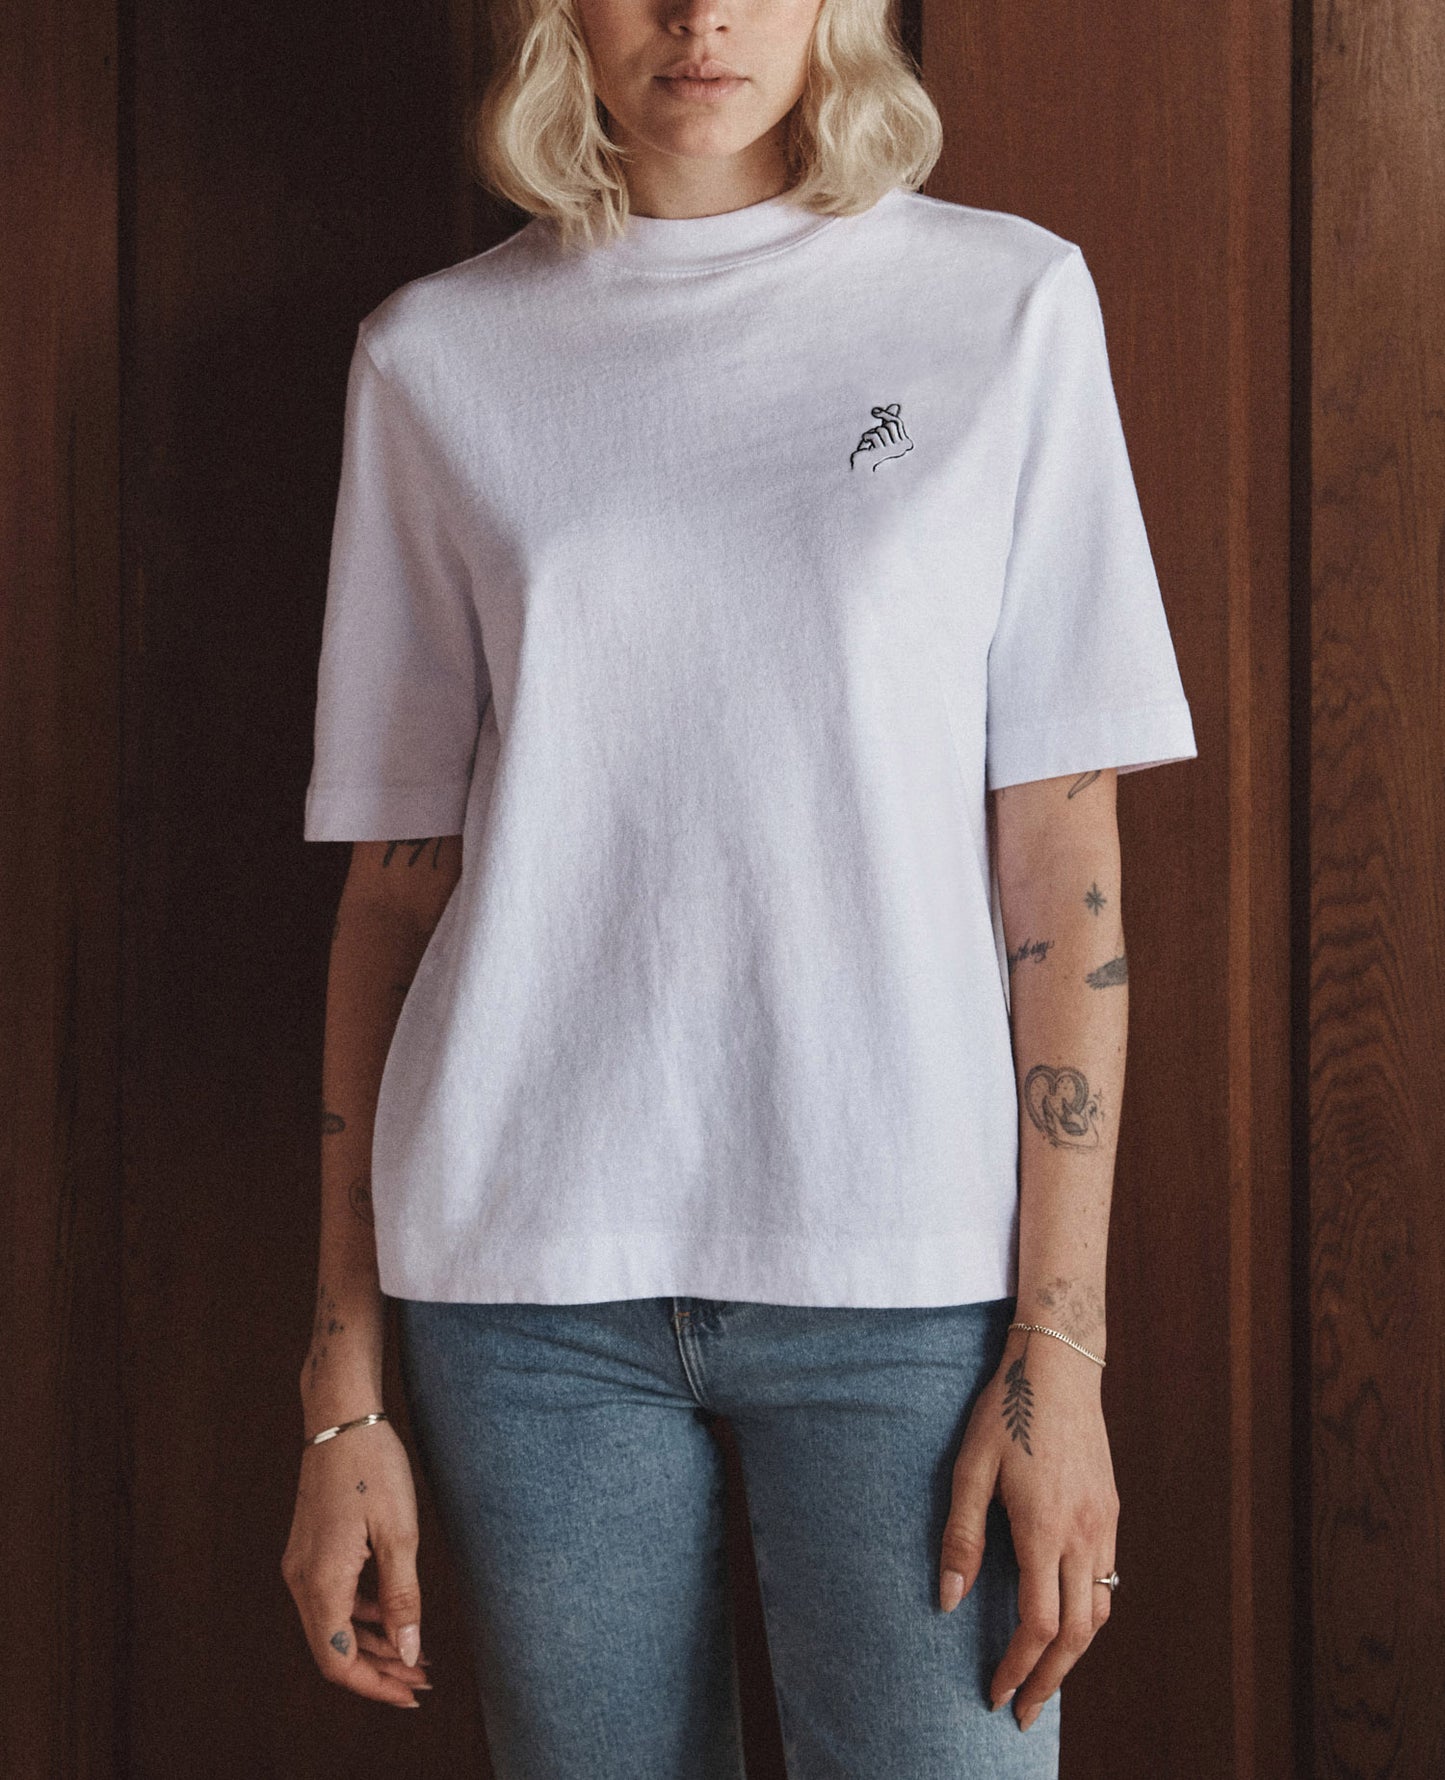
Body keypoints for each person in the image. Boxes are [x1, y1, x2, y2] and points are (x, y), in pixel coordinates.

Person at [281, 0, 1197, 1773]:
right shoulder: (433, 357)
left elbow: (1061, 855)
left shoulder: (1005, 305)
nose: (701, 18)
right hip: (520, 1281)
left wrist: (1059, 1352)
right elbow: (395, 890)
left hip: (909, 1272)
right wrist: (339, 1397)